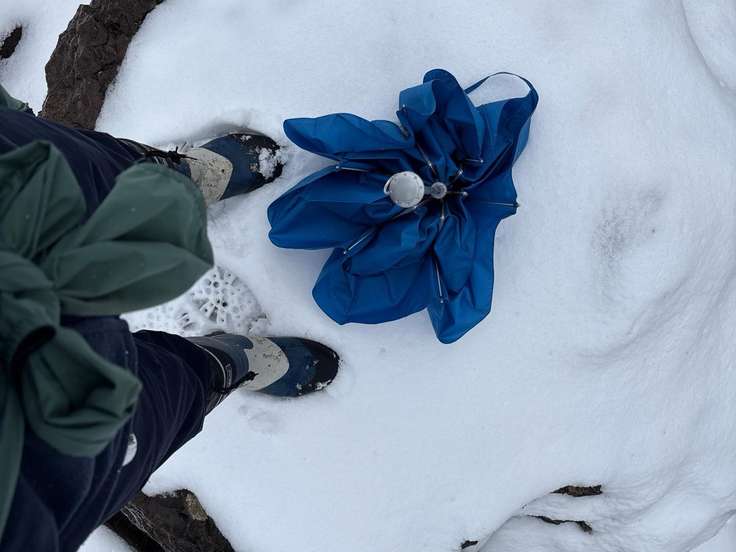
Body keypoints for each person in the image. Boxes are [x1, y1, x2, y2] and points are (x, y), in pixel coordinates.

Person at [0, 84, 339, 552]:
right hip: (29, 482)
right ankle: (227, 361)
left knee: (81, 180)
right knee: (158, 402)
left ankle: (181, 179)